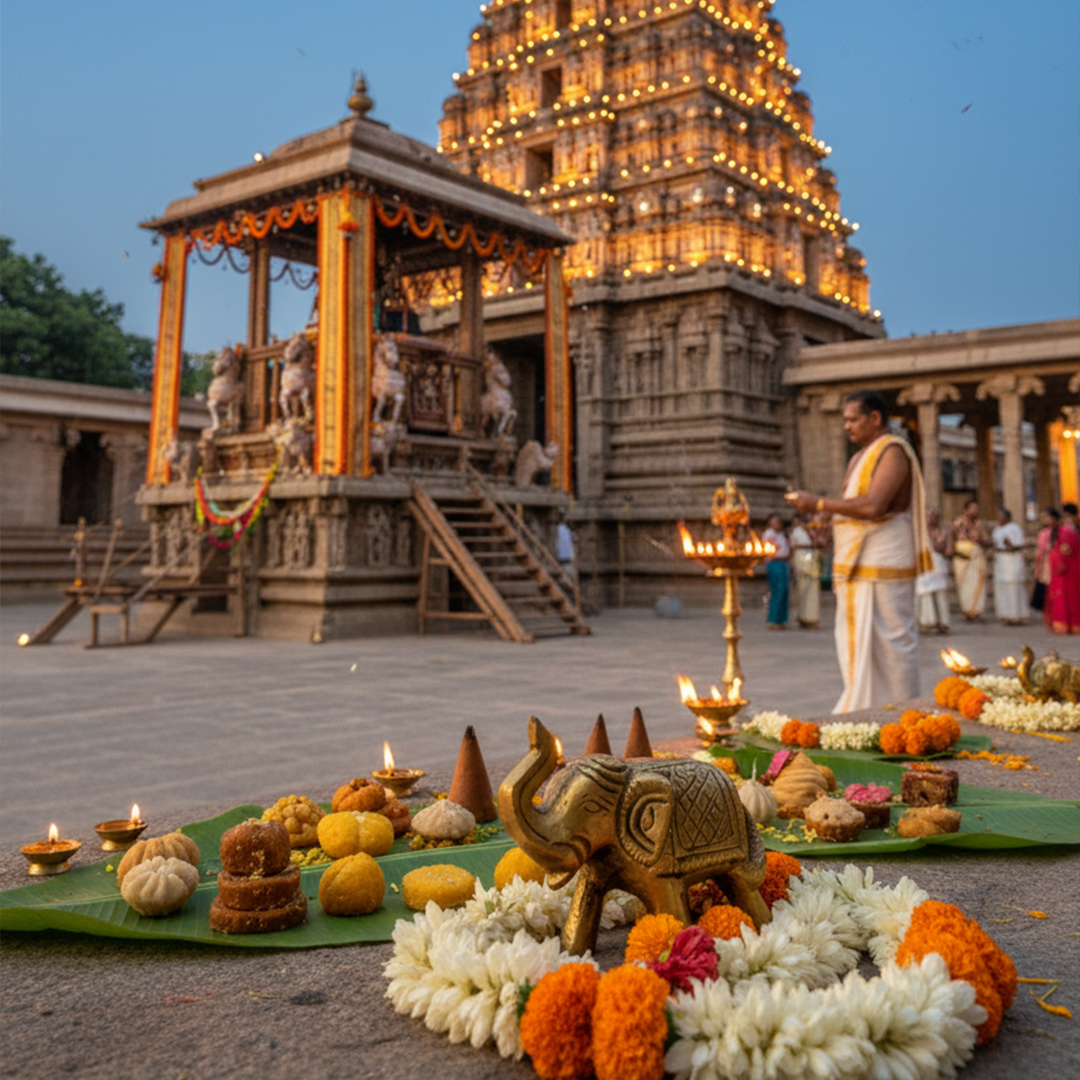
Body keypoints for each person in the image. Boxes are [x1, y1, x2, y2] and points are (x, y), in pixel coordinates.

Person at [788, 389, 932, 714]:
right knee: (857, 644)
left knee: (893, 645)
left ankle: (904, 714)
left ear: (875, 418)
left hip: (884, 562)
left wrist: (819, 503)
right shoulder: (860, 457)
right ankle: (863, 712)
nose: (847, 427)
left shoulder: (893, 451)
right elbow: (854, 508)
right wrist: (830, 520)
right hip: (857, 564)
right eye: (845, 420)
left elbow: (873, 505)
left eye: (853, 419)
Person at [1036, 508, 1080, 634]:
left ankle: (1066, 624)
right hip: (1062, 568)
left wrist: (1057, 560)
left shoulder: (1066, 531)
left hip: (1065, 569)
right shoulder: (1064, 531)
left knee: (1066, 597)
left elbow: (1066, 549)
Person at [917, 508, 953, 634]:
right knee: (925, 593)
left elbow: (948, 551)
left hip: (938, 564)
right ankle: (928, 622)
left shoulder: (942, 532)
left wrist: (936, 543)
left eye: (932, 516)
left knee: (940, 593)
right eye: (927, 516)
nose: (930, 519)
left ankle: (943, 622)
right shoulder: (918, 533)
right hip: (923, 565)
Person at [952, 499, 989, 620]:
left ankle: (976, 611)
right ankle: (967, 610)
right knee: (966, 586)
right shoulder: (959, 523)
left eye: (977, 509)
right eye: (973, 509)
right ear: (966, 511)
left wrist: (981, 540)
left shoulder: (979, 524)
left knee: (978, 584)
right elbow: (954, 539)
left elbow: (984, 539)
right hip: (963, 559)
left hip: (976, 557)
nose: (976, 512)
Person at [991, 508, 1029, 625]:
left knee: (1014, 587)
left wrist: (1009, 545)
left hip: (1012, 560)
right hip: (1001, 560)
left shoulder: (1014, 528)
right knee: (1002, 586)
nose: (999, 519)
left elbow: (1017, 545)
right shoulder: (997, 529)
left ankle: (1017, 615)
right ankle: (1006, 614)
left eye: (1001, 517)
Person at [789, 513, 821, 627]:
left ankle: (811, 616)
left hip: (811, 558)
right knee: (803, 588)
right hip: (802, 558)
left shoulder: (809, 532)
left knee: (811, 589)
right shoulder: (797, 532)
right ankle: (804, 616)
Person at [761, 514, 790, 629]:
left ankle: (782, 619)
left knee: (784, 591)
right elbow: (772, 550)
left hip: (783, 563)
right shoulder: (769, 534)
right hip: (774, 562)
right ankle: (773, 619)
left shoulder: (781, 534)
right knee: (778, 590)